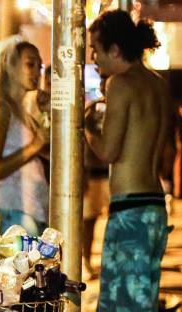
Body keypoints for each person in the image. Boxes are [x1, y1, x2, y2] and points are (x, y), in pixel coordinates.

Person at [85, 10, 174, 312]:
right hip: (154, 204)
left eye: (96, 50)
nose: (92, 59)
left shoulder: (119, 85)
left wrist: (84, 125)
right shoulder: (157, 84)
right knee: (141, 307)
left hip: (132, 207)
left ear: (115, 49)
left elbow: (108, 152)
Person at [0, 38, 50, 236]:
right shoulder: (0, 108)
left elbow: (49, 154)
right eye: (30, 64)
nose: (37, 72)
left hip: (30, 212)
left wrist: (47, 113)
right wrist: (35, 145)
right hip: (12, 213)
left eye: (40, 66)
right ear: (11, 66)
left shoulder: (22, 111)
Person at [83, 79, 109, 278]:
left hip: (114, 172)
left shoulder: (122, 105)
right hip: (93, 172)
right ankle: (86, 260)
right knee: (89, 220)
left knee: (112, 221)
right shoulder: (92, 111)